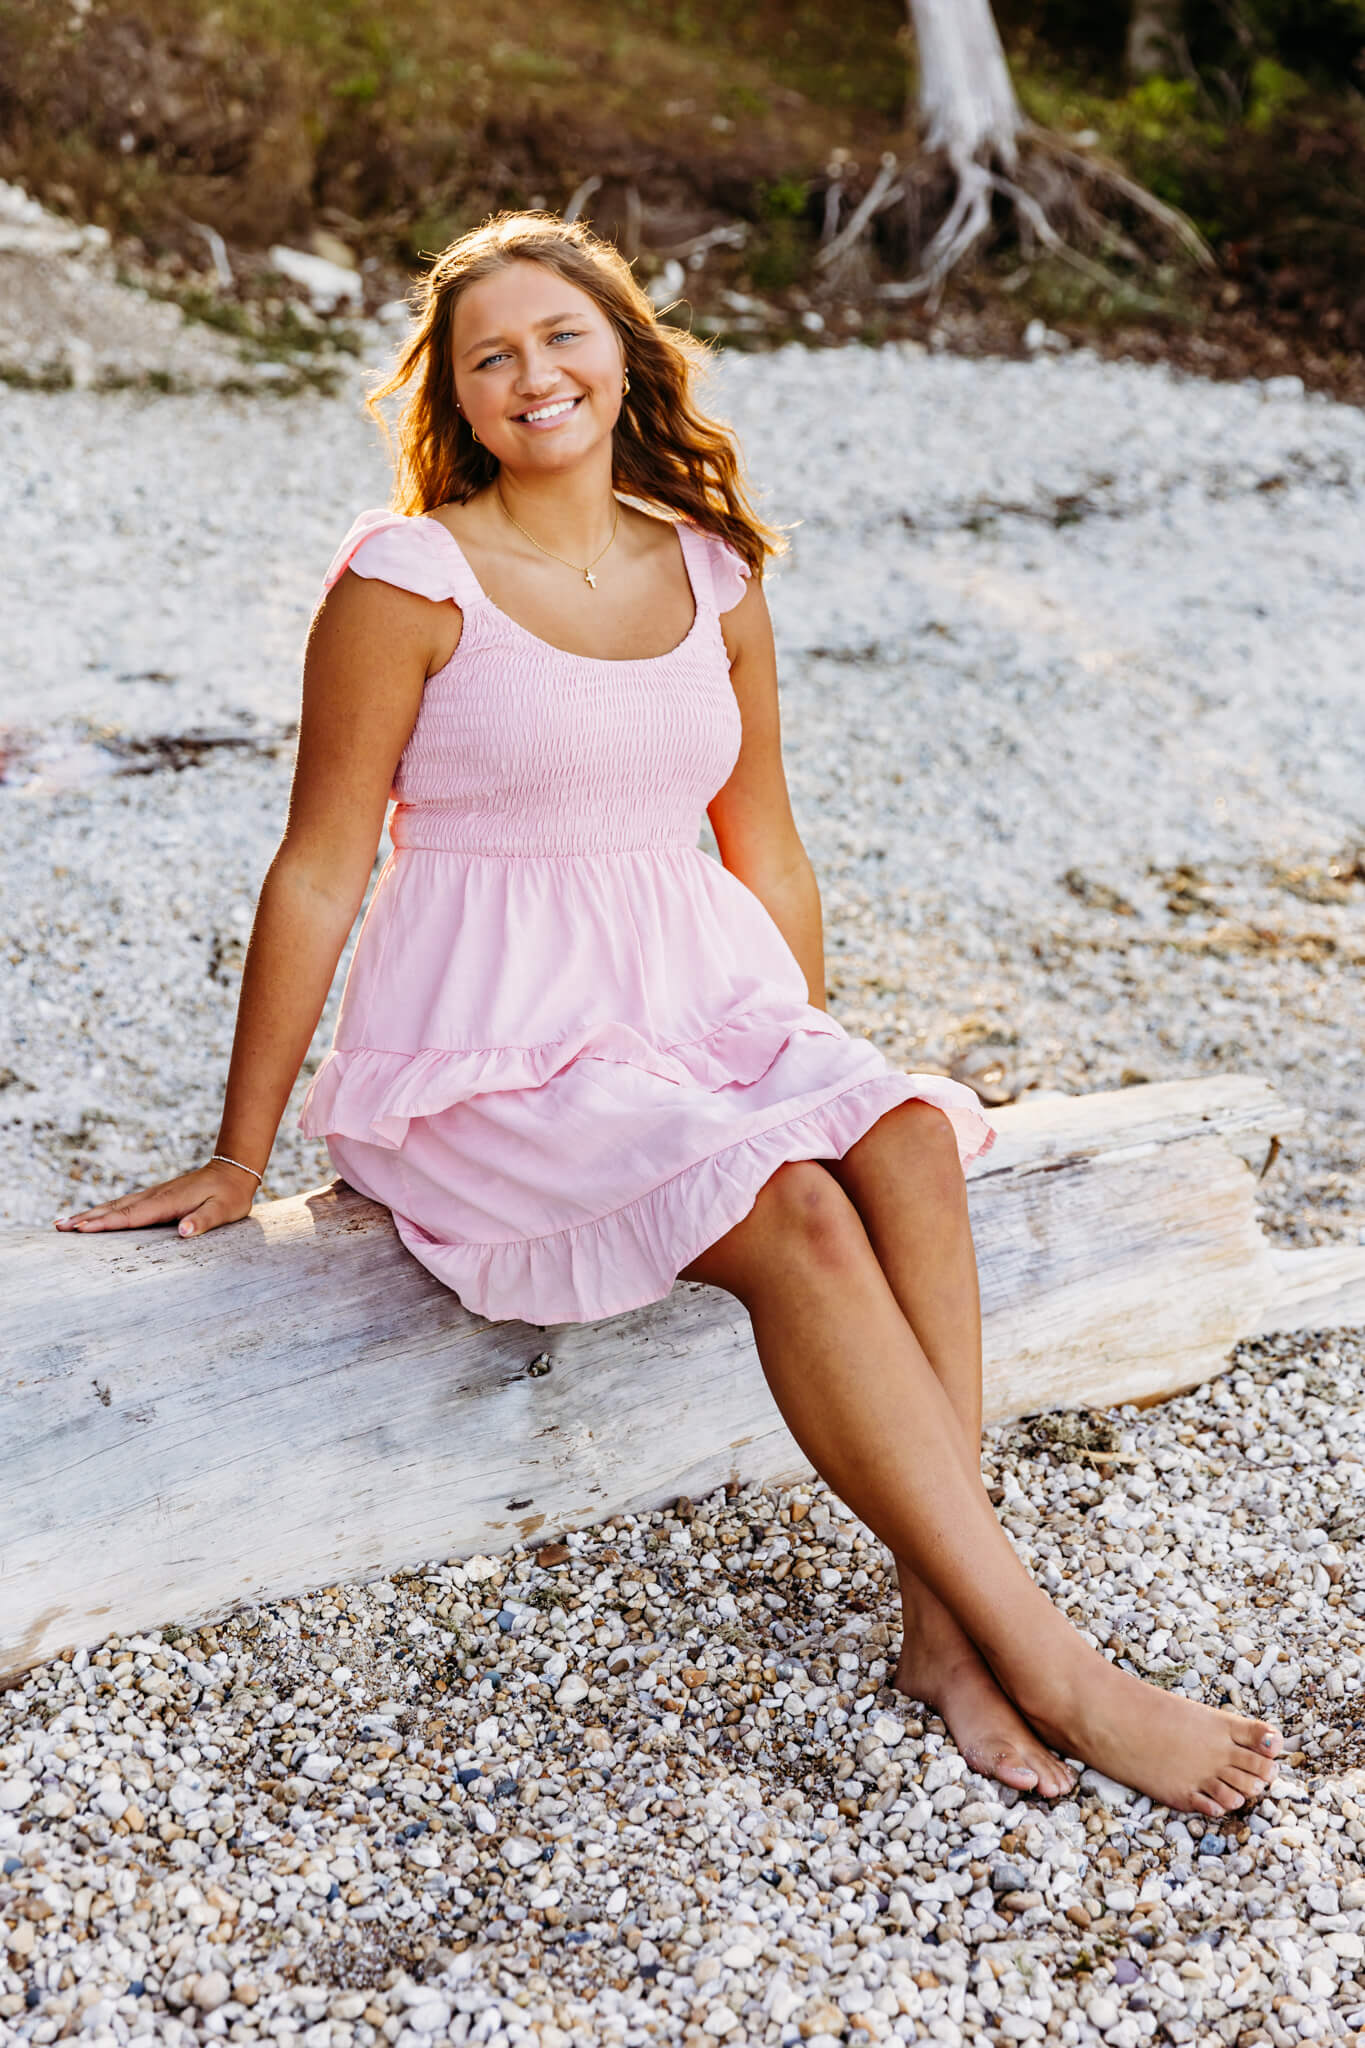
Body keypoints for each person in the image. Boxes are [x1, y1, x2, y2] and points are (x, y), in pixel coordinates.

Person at [55, 212, 1281, 1815]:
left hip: (694, 1005)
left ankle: (939, 1628)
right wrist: (238, 1150)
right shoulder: (406, 578)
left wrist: (808, 1073)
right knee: (788, 1213)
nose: (529, 374)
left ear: (626, 348)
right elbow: (316, 868)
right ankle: (1048, 1659)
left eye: (558, 336)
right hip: (490, 1050)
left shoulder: (712, 570)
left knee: (897, 1132)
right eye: (486, 356)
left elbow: (760, 841)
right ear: (457, 397)